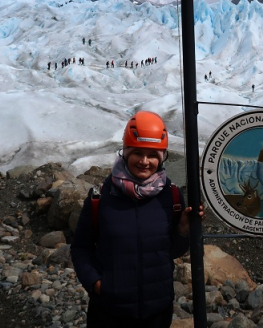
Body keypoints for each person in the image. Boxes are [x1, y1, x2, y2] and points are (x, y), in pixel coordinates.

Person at [71, 111, 203, 327]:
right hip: (109, 312)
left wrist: (183, 229)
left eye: (152, 154)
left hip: (157, 312)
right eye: (137, 153)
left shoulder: (172, 196)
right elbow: (80, 248)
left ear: (162, 158)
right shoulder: (100, 196)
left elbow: (171, 251)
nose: (144, 161)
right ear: (125, 152)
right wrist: (96, 284)